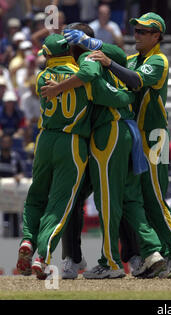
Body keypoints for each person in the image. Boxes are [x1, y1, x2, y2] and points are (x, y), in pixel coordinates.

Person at [63, 13, 171, 279]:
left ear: (157, 36)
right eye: (135, 30)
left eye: (144, 31)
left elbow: (134, 81)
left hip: (154, 135)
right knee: (139, 198)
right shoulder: (134, 59)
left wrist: (104, 57)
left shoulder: (159, 60)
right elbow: (120, 66)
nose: (137, 34)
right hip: (136, 135)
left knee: (155, 197)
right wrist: (99, 49)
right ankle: (156, 253)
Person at [40, 24, 166, 280]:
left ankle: (111, 261)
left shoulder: (87, 60)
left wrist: (123, 95)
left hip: (106, 134)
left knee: (107, 202)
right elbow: (118, 59)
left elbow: (109, 93)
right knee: (129, 199)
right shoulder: (86, 62)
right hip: (119, 133)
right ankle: (151, 251)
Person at [16, 33, 143, 279]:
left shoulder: (41, 76)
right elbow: (95, 79)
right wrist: (128, 96)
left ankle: (28, 240)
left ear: (47, 55)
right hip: (72, 141)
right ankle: (42, 255)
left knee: (35, 198)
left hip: (44, 140)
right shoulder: (83, 74)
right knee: (60, 205)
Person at [0, 134, 25, 237]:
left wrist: (19, 176)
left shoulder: (16, 157)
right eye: (4, 142)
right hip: (1, 191)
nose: (6, 144)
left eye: (8, 142)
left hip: (12, 192)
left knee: (15, 211)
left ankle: (15, 233)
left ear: (11, 143)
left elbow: (21, 173)